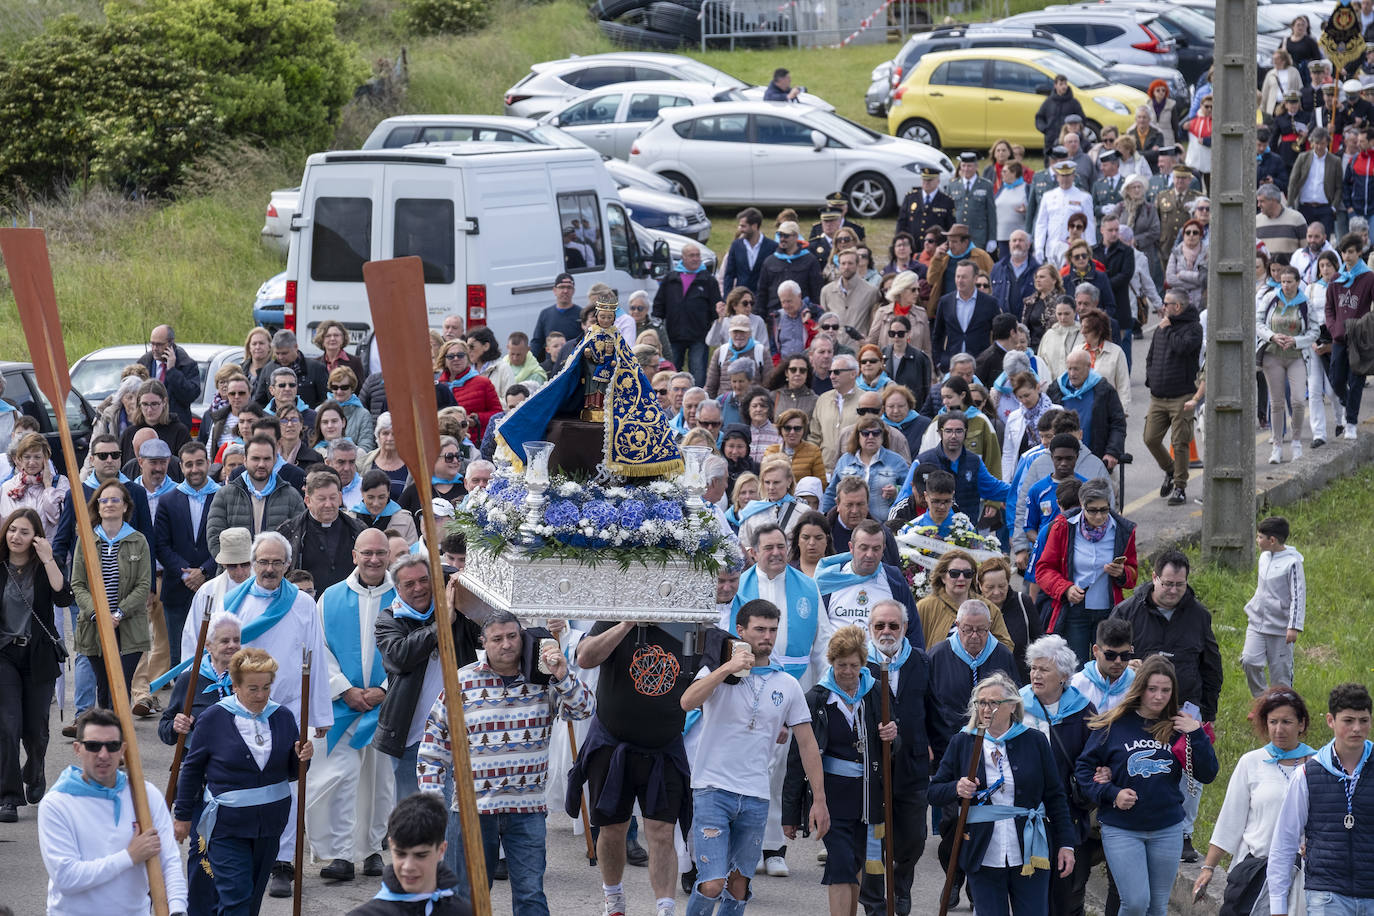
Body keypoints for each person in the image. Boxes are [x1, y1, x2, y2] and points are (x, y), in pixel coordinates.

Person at [419, 611, 593, 914]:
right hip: (471, 810)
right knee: (466, 898)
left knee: (530, 895)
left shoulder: (545, 680)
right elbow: (433, 745)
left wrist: (563, 674)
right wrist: (434, 804)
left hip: (527, 811)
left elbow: (584, 709)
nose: (507, 644)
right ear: (483, 642)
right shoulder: (461, 681)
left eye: (513, 636)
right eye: (497, 639)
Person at [683, 599, 827, 916]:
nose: (767, 636)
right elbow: (687, 702)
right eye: (759, 629)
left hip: (755, 795)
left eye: (773, 630)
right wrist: (726, 669)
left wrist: (819, 799)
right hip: (712, 788)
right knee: (712, 883)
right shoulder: (718, 671)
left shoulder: (787, 683)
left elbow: (807, 743)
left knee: (738, 886)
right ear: (741, 630)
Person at [173, 647, 315, 915]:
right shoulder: (214, 718)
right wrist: (182, 816)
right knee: (236, 899)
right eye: (253, 688)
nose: (261, 695)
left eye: (266, 687)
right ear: (235, 685)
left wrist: (304, 757)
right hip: (227, 827)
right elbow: (192, 769)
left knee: (250, 904)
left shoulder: (282, 717)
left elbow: (293, 772)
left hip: (270, 827)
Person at [570, 612, 694, 916]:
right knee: (612, 829)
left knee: (663, 831)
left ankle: (665, 908)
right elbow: (585, 658)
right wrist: (627, 624)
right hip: (612, 744)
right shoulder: (616, 615)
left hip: (664, 746)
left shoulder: (689, 621)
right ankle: (613, 899)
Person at [1076, 655, 1219, 916]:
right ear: (1140, 688)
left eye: (1166, 690)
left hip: (1167, 828)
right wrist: (1112, 793)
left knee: (1157, 906)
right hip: (1122, 827)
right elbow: (1084, 770)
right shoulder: (1114, 725)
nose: (1158, 696)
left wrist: (1196, 732)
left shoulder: (1179, 727)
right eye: (1152, 689)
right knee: (1135, 902)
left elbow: (1208, 773)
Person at [929, 671, 1075, 916]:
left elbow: (1055, 797)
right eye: (981, 703)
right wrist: (957, 787)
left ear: (1012, 706)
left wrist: (1066, 844)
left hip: (1030, 848)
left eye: (994, 703)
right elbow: (933, 793)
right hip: (983, 849)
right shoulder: (963, 742)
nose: (986, 709)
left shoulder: (1035, 741)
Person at [303, 529, 397, 882]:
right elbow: (318, 645)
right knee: (337, 779)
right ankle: (340, 854)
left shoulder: (401, 595)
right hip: (341, 706)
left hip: (385, 706)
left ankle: (372, 849)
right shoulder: (330, 597)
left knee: (379, 781)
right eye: (367, 553)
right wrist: (344, 689)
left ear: (389, 555)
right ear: (354, 555)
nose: (374, 559)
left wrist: (384, 690)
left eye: (381, 553)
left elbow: (410, 648)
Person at [39, 708, 188, 915]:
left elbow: (169, 862)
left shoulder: (145, 796)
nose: (103, 754)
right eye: (93, 746)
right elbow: (66, 877)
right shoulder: (57, 803)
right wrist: (129, 856)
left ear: (123, 749)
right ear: (77, 748)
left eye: (112, 746)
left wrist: (178, 909)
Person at [782, 624, 882, 916]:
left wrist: (893, 737)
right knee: (839, 864)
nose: (848, 672)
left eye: (854, 665)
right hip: (829, 797)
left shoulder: (875, 693)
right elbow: (797, 758)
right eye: (841, 665)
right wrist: (791, 813)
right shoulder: (817, 699)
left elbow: (892, 747)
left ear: (863, 664)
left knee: (855, 863)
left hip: (866, 796)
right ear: (831, 663)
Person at [1191, 686, 1314, 916]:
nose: (1279, 730)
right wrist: (1208, 868)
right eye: (1273, 722)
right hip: (1255, 872)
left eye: (1286, 722)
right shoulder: (1251, 762)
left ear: (1302, 724)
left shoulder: (1318, 765)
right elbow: (1230, 819)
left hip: (1304, 875)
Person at [373, 556, 483, 803]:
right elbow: (400, 657)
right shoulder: (389, 619)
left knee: (459, 810)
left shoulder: (457, 613)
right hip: (412, 736)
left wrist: (462, 587)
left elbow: (485, 630)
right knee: (416, 815)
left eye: (424, 580)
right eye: (409, 584)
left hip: (459, 732)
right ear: (397, 589)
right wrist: (441, 624)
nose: (419, 588)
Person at [855, 600, 938, 916]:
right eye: (880, 626)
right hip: (872, 768)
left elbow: (935, 714)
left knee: (913, 838)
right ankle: (876, 902)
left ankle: (901, 884)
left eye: (894, 626)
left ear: (905, 628)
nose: (886, 631)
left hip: (912, 766)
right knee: (873, 841)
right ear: (870, 629)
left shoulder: (921, 661)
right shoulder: (860, 664)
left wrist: (944, 761)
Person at [1269, 682, 1374, 916]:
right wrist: (1277, 904)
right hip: (1326, 896)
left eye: (1364, 720)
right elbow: (1285, 840)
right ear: (1330, 721)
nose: (1357, 728)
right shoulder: (1307, 774)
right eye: (1348, 720)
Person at [158, 609, 240, 901]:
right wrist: (176, 724)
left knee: (231, 854)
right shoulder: (190, 680)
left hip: (236, 783)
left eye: (236, 640)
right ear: (208, 645)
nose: (231, 646)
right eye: (225, 641)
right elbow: (165, 729)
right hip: (198, 782)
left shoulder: (245, 680)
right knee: (202, 851)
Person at [0, 507, 71, 823]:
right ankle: (8, 798)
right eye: (12, 529)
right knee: (7, 725)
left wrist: (48, 558)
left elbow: (63, 598)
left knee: (36, 731)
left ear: (36, 538)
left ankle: (36, 767)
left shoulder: (43, 568)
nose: (16, 536)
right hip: (4, 656)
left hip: (38, 656)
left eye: (24, 532)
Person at [1019, 635, 1097, 916]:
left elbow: (1093, 757)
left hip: (1066, 812)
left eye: (1044, 669)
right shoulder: (1017, 705)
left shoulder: (1084, 710)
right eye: (1034, 668)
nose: (1036, 675)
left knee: (1064, 893)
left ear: (1063, 676)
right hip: (1025, 813)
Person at [1035, 477, 1138, 663]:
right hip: (1075, 611)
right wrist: (1065, 589)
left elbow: (1132, 575)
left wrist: (1122, 573)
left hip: (1110, 611)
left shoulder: (1123, 529)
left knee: (1109, 666)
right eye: (1092, 511)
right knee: (1076, 668)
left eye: (1104, 510)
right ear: (1082, 505)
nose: (1099, 516)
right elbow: (1043, 569)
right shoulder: (1063, 526)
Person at [71, 481, 151, 711]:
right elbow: (77, 583)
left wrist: (118, 613)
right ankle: (106, 738)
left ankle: (121, 738)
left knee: (121, 686)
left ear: (125, 506)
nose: (109, 504)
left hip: (127, 626)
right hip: (94, 626)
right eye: (104, 500)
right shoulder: (86, 540)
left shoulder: (138, 540)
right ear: (97, 506)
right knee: (104, 688)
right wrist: (99, 614)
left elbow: (143, 584)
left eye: (115, 499)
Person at [345, 792, 472, 916]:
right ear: (391, 845)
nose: (408, 866)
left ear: (441, 850)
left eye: (420, 855)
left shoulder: (462, 911)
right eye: (400, 854)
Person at [153, 441, 219, 668]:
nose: (194, 469)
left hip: (215, 586)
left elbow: (226, 542)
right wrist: (186, 574)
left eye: (199, 463)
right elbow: (161, 545)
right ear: (181, 467)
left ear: (208, 464)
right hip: (177, 590)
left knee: (216, 652)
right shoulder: (168, 500)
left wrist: (204, 572)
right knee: (179, 658)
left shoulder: (222, 497)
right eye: (189, 464)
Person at [1143, 290, 1204, 506]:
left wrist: (1168, 330)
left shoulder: (1193, 328)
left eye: (1166, 304)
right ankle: (1170, 470)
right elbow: (1151, 355)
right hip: (1158, 395)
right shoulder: (1163, 326)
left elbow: (1183, 348)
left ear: (1177, 307)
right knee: (1150, 438)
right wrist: (1151, 378)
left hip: (1182, 395)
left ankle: (1180, 487)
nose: (1163, 307)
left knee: (1180, 442)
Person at [815, 520, 919, 640]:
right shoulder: (830, 578)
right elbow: (814, 629)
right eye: (863, 548)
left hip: (883, 658)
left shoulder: (894, 579)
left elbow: (912, 629)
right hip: (836, 657)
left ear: (883, 549)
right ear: (851, 547)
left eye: (876, 549)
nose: (869, 554)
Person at [205, 435, 306, 554]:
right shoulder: (225, 494)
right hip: (235, 570)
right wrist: (236, 566)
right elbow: (214, 537)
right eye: (256, 458)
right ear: (245, 461)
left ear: (274, 460)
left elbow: (299, 539)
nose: (261, 464)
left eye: (267, 459)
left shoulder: (291, 496)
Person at [1258, 265, 1317, 462]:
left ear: (1298, 282)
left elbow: (1314, 331)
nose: (1285, 286)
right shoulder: (1270, 298)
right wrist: (1272, 336)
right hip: (1272, 355)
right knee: (1276, 403)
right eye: (1282, 282)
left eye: (1289, 282)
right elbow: (1258, 323)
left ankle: (1297, 442)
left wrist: (1296, 341)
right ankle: (1277, 445)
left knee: (1299, 400)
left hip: (1296, 356)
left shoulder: (1305, 302)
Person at [1241, 516, 1306, 696]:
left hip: (1280, 629)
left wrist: (1293, 627)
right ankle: (1263, 701)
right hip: (1257, 623)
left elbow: (1298, 596)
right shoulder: (1264, 557)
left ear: (1272, 540)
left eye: (1260, 537)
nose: (1257, 540)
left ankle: (1283, 708)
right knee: (1249, 661)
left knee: (1280, 675)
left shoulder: (1292, 563)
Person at [916, 545, 1013, 652]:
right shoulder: (925, 607)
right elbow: (913, 645)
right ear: (943, 577)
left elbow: (1006, 646)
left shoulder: (988, 607)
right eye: (955, 573)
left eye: (967, 574)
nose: (961, 578)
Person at [1326, 231, 1374, 439]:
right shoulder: (1336, 279)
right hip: (1339, 337)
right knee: (1336, 379)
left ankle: (1352, 422)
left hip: (1359, 338)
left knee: (1356, 380)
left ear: (1360, 252)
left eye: (1351, 252)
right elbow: (1329, 308)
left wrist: (1364, 326)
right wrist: (1333, 327)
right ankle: (1348, 405)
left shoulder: (1369, 277)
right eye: (1344, 252)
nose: (1347, 256)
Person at [1047, 348, 1127, 467]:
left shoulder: (1104, 390)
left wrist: (1112, 452)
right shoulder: (1056, 389)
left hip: (1095, 458)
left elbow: (1118, 423)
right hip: (1062, 462)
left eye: (1076, 369)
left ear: (1088, 367)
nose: (1072, 374)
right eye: (1069, 368)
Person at [821, 416, 907, 522]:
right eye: (865, 433)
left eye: (876, 433)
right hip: (849, 523)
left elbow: (909, 491)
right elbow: (831, 492)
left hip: (883, 525)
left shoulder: (897, 461)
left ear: (883, 436)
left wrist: (896, 491)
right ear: (858, 436)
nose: (870, 437)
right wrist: (826, 518)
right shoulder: (845, 460)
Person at [978, 557, 1042, 685]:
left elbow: (1039, 640)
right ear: (980, 586)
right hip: (984, 682)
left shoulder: (1023, 602)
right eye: (990, 587)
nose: (996, 592)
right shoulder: (973, 608)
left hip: (1020, 682)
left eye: (1002, 586)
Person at [136, 324, 201, 430]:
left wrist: (172, 371)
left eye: (159, 345)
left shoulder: (186, 364)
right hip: (147, 425)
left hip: (175, 427)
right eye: (152, 344)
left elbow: (189, 395)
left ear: (171, 343)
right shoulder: (144, 363)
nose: (154, 349)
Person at [434, 341, 500, 443]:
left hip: (475, 442)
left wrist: (478, 419)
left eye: (460, 355)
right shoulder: (437, 387)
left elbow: (498, 414)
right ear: (444, 360)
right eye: (451, 356)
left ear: (467, 357)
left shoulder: (483, 383)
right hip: (443, 443)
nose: (456, 359)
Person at [758, 221, 824, 323]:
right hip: (775, 317)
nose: (782, 239)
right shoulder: (769, 261)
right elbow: (762, 292)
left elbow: (816, 292)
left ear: (796, 236)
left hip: (802, 316)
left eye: (786, 235)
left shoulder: (810, 260)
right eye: (780, 235)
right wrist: (761, 316)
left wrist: (814, 313)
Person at [1070, 617, 1136, 712]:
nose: (1118, 661)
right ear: (1095, 651)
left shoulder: (1137, 685)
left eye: (1124, 655)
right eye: (1110, 655)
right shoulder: (1076, 686)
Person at [252, 329, 329, 408]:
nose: (280, 357)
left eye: (284, 353)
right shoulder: (268, 369)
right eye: (277, 353)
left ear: (295, 347)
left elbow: (325, 401)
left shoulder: (316, 368)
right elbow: (259, 402)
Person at [1034, 161, 1095, 256]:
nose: (1065, 179)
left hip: (1075, 248)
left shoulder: (1084, 197)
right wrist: (1039, 247)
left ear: (1073, 176)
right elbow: (1041, 224)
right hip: (1053, 247)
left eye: (1068, 176)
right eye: (1062, 176)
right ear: (1057, 177)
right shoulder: (1048, 196)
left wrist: (1090, 247)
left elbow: (1089, 224)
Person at [896, 168, 955, 243]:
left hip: (936, 246)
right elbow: (902, 223)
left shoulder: (947, 201)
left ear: (938, 181)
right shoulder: (910, 198)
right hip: (913, 244)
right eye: (924, 179)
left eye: (930, 180)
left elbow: (950, 226)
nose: (926, 182)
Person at [327, 367, 377, 452]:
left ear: (352, 388)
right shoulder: (320, 411)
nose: (339, 391)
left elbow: (366, 447)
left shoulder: (363, 415)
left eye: (344, 387)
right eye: (335, 387)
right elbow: (315, 443)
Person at [1036, 74, 1085, 153]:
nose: (1064, 87)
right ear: (1055, 85)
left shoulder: (1074, 102)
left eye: (1065, 84)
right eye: (1061, 84)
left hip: (1067, 139)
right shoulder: (1048, 102)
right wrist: (1045, 129)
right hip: (1051, 138)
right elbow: (1039, 117)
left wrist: (1075, 131)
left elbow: (1082, 119)